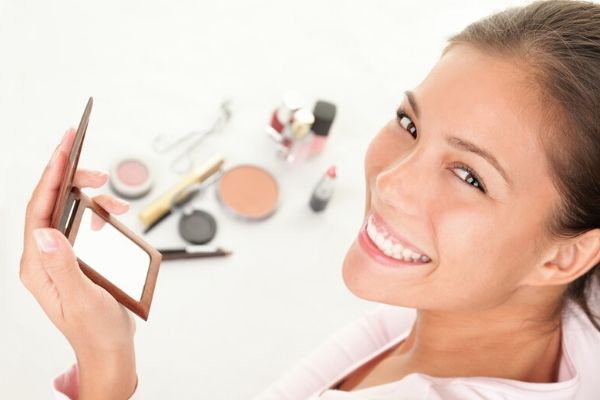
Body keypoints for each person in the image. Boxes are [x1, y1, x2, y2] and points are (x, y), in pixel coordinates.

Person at [20, 1, 600, 398]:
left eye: (470, 177)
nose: (390, 181)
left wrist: (105, 366)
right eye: (410, 122)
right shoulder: (500, 303)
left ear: (566, 257)